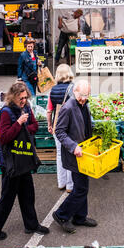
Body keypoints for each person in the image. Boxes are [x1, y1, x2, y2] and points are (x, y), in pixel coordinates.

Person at [0, 82, 49, 241]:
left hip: (23, 158)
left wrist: (24, 126)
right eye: (21, 98)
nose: (24, 101)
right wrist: (19, 123)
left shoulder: (27, 108)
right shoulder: (6, 112)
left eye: (26, 98)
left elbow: (34, 126)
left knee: (27, 193)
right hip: (10, 161)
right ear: (13, 97)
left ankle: (31, 225)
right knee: (7, 196)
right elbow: (4, 137)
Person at [52, 80, 97, 234]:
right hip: (75, 154)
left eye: (86, 96)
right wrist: (73, 146)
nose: (83, 99)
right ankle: (61, 215)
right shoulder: (68, 107)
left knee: (82, 186)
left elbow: (85, 125)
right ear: (75, 92)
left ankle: (80, 217)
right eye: (81, 96)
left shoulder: (84, 104)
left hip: (85, 153)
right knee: (81, 188)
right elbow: (60, 132)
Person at [47, 64, 74, 193]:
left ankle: (61, 182)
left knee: (59, 154)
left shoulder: (53, 90)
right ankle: (70, 185)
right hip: (70, 126)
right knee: (70, 154)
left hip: (57, 125)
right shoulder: (73, 88)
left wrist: (49, 125)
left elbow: (49, 111)